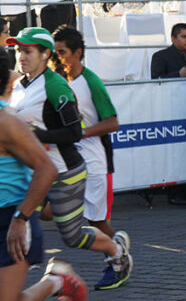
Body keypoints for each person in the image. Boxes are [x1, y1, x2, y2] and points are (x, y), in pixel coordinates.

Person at [7, 27, 132, 289]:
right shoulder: (18, 84)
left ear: (45, 54)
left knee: (72, 236)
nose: (22, 56)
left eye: (28, 51)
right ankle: (16, 276)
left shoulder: (55, 85)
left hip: (65, 171)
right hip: (36, 173)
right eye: (19, 50)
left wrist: (38, 136)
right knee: (21, 220)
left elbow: (74, 132)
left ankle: (116, 250)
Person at [0, 48, 89, 301]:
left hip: (10, 220)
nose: (22, 56)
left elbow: (46, 168)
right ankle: (57, 281)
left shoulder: (7, 121)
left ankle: (55, 282)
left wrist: (20, 219)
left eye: (27, 51)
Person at [52, 26, 123, 289]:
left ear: (78, 53)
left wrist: (80, 133)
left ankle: (117, 261)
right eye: (55, 52)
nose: (58, 57)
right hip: (70, 161)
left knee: (97, 221)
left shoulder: (91, 81)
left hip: (95, 161)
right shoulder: (60, 81)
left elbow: (113, 122)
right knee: (48, 211)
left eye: (62, 53)